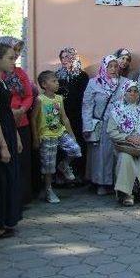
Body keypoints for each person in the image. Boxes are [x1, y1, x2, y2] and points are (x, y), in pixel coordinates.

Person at [31, 71, 82, 203]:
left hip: (60, 132)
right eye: (53, 81)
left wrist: (72, 135)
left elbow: (64, 118)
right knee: (48, 166)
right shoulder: (40, 100)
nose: (57, 83)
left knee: (75, 150)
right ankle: (49, 190)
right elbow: (33, 119)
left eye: (57, 81)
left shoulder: (59, 99)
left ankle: (64, 165)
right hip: (47, 136)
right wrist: (36, 138)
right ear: (44, 84)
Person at [82, 55, 129, 195]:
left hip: (119, 125)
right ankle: (101, 183)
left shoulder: (125, 82)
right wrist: (87, 126)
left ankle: (117, 183)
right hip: (101, 125)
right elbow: (87, 105)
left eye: (116, 66)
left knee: (117, 154)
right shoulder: (94, 83)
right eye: (110, 66)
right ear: (104, 67)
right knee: (100, 155)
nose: (113, 69)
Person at [107, 81, 140, 206]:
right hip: (125, 144)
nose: (133, 93)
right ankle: (127, 193)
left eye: (135, 91)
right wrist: (128, 138)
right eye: (129, 91)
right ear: (124, 93)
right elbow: (111, 131)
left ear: (139, 93)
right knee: (125, 158)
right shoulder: (117, 109)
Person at [0, 36, 34, 204]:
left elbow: (28, 95)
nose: (17, 56)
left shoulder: (20, 73)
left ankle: (22, 198)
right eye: (13, 53)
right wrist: (11, 111)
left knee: (22, 162)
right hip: (4, 123)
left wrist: (21, 110)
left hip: (20, 121)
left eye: (19, 52)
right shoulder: (1, 76)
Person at [0, 43, 23, 239]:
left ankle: (7, 220)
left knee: (9, 178)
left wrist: (15, 137)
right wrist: (3, 145)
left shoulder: (4, 81)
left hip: (8, 129)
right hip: (0, 134)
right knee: (1, 180)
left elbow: (7, 112)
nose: (13, 62)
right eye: (9, 58)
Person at [56, 47, 90, 182]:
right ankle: (60, 176)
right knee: (62, 143)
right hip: (61, 114)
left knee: (78, 142)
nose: (66, 60)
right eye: (63, 57)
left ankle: (77, 175)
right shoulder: (57, 75)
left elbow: (85, 96)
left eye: (69, 57)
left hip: (78, 114)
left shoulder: (82, 75)